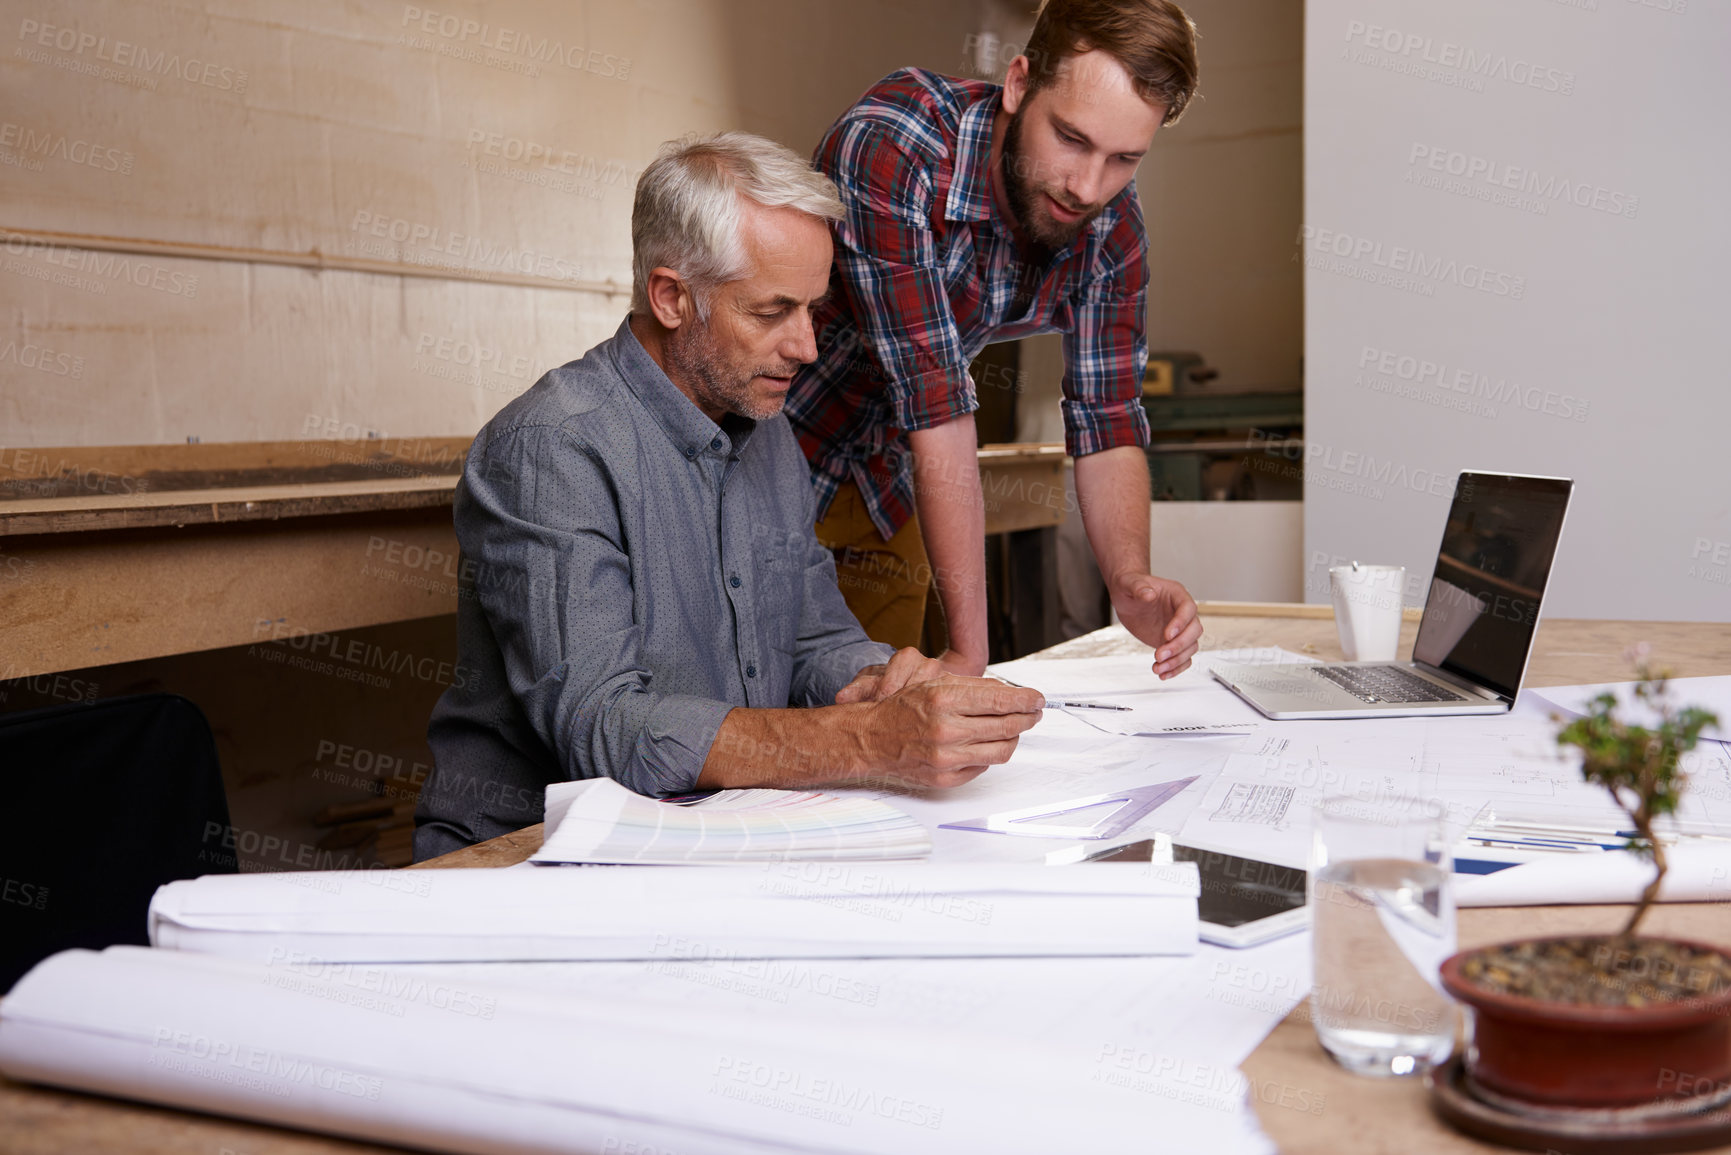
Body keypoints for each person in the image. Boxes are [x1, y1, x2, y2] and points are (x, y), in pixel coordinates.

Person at [415, 132, 1044, 859]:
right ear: (672, 296)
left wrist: (877, 682)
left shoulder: (765, 427)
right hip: (530, 853)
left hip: (703, 828)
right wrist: (866, 738)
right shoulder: (552, 447)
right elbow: (602, 728)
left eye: (814, 308)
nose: (806, 347)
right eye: (772, 311)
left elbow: (814, 639)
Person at [787, 0, 1205, 678]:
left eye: (1123, 157)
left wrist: (1129, 581)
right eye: (1070, 138)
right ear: (1017, 84)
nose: (1086, 186)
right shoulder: (894, 147)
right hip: (767, 463)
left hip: (887, 484)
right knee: (751, 718)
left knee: (880, 729)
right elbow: (937, 405)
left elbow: (1107, 422)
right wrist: (971, 656)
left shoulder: (1112, 229)